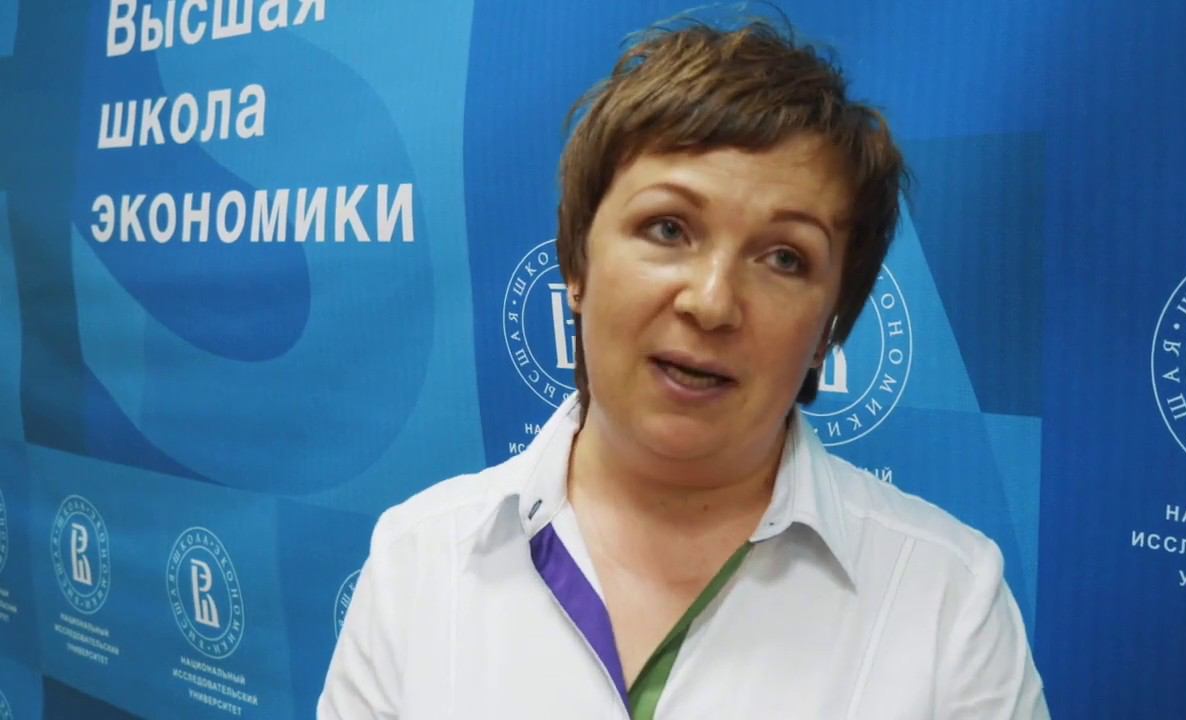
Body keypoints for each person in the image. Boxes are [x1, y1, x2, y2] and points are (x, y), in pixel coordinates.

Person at [319, 16, 1048, 720]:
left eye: (784, 258)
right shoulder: (420, 559)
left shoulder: (948, 602)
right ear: (578, 263)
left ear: (831, 325)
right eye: (668, 228)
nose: (712, 302)